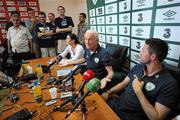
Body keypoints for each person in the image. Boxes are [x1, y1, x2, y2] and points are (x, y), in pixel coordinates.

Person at [101, 38, 179, 120]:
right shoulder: (139, 66)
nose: (140, 53)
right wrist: (108, 92)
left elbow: (156, 117)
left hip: (129, 117)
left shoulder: (169, 84)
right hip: (117, 105)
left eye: (143, 51)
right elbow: (123, 84)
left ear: (153, 57)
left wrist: (138, 91)